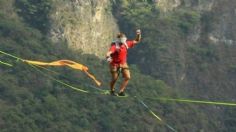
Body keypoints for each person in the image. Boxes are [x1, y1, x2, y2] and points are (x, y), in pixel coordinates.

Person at [106, 29, 142, 96]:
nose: (124, 40)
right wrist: (108, 57)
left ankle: (121, 91)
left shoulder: (126, 44)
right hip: (114, 64)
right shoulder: (115, 46)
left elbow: (137, 40)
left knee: (127, 77)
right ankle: (112, 90)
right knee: (114, 78)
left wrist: (138, 34)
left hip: (123, 63)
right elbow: (108, 53)